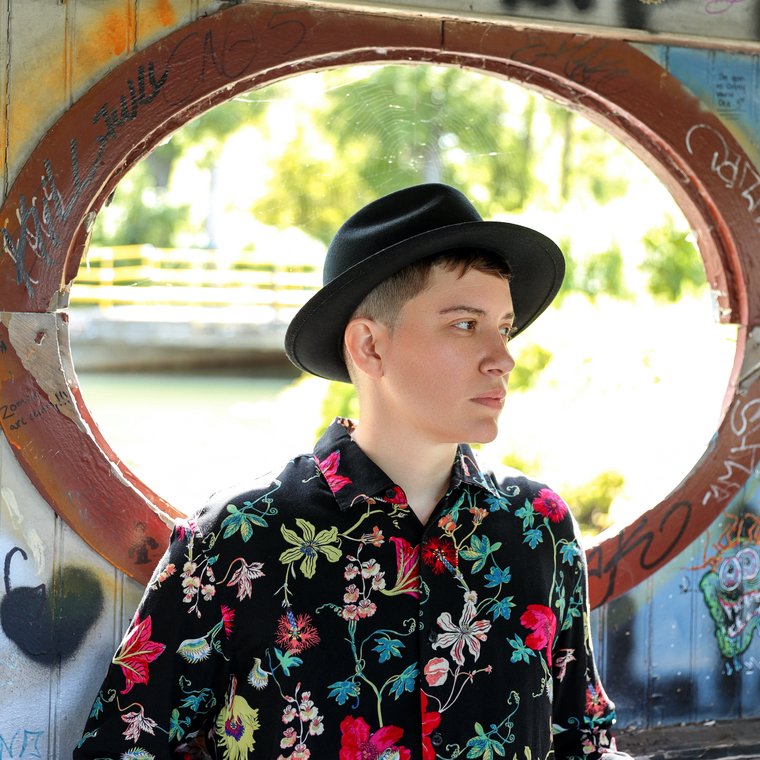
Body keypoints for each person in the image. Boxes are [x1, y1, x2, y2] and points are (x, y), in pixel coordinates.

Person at [75, 184, 631, 759]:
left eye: (505, 327)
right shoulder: (242, 535)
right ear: (369, 347)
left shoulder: (537, 525)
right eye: (466, 325)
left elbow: (581, 739)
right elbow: (124, 746)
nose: (503, 357)